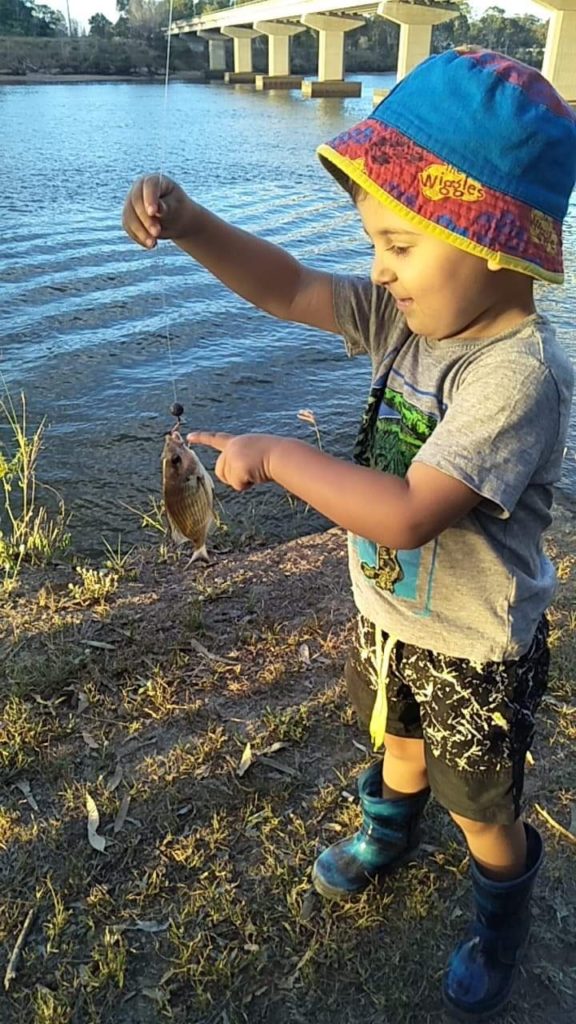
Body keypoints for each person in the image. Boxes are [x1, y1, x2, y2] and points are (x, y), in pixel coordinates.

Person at [123, 48, 576, 1019]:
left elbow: (412, 508)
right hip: (394, 609)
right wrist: (192, 222)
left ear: (492, 239)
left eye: (400, 245)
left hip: (472, 643)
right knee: (397, 737)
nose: (379, 269)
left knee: (479, 801)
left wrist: (280, 457)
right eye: (374, 242)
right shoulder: (412, 314)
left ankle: (502, 915)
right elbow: (287, 286)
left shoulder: (515, 375)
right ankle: (386, 827)